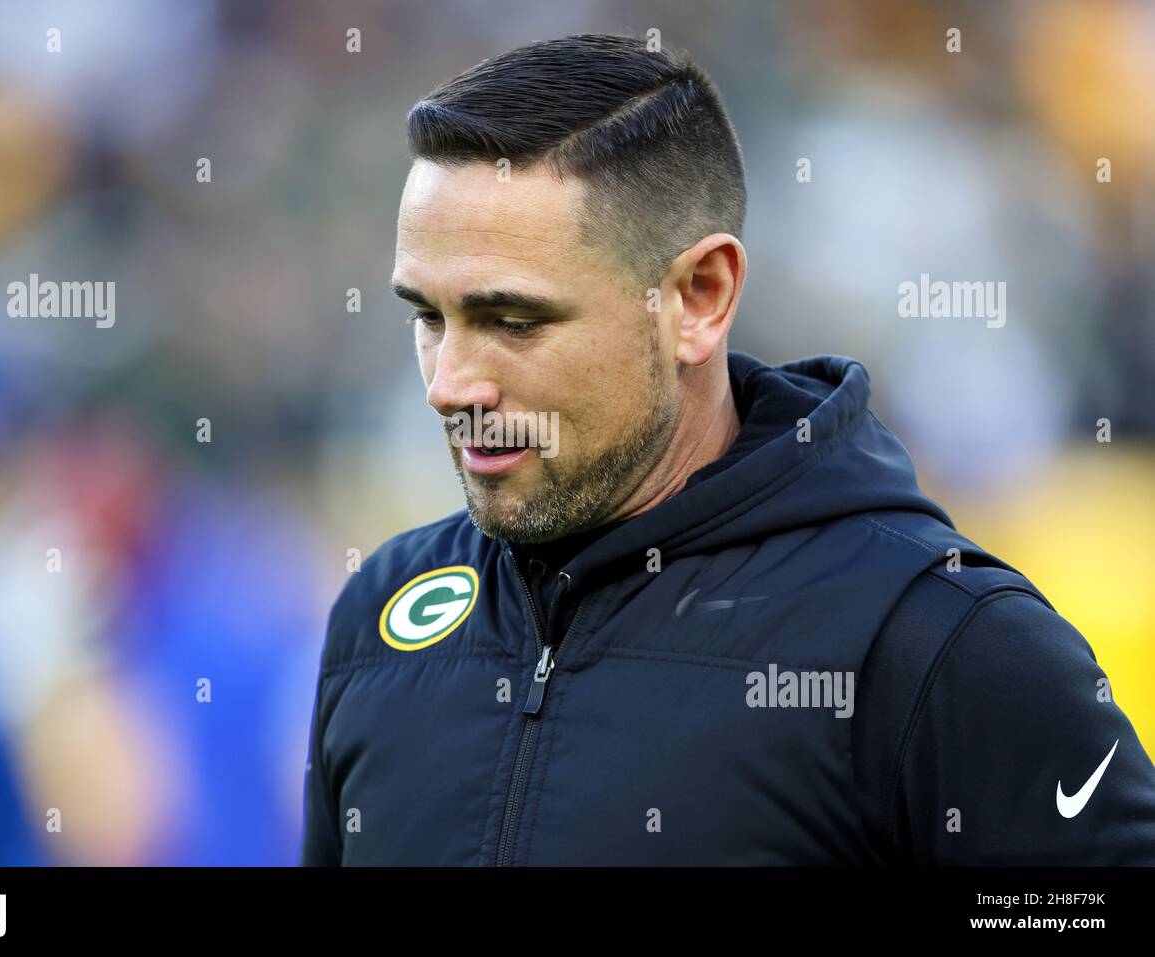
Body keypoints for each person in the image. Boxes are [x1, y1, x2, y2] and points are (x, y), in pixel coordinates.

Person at [299, 33, 1155, 865]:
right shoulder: (385, 615)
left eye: (513, 321)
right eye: (427, 318)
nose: (451, 384)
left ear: (699, 298)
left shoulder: (940, 644)